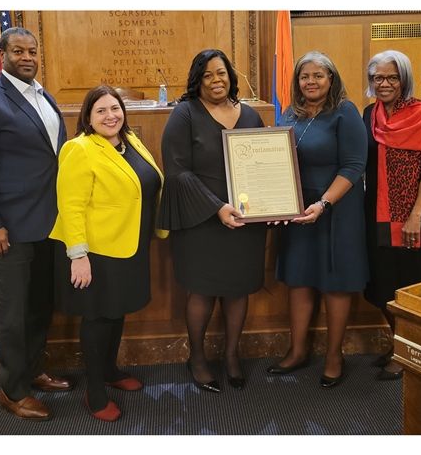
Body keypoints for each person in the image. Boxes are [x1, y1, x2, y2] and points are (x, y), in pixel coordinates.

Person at [0, 27, 71, 421]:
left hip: (46, 225)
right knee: (13, 314)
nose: (27, 57)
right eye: (18, 51)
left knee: (39, 306)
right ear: (1, 55)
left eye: (32, 51)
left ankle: (32, 370)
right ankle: (12, 390)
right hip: (4, 229)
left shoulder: (44, 96)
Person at [50, 85, 165, 422]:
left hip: (129, 245)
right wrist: (78, 255)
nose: (110, 116)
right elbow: (70, 206)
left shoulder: (131, 142)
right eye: (101, 110)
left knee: (116, 312)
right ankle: (95, 391)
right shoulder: (79, 149)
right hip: (96, 251)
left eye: (115, 108)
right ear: (88, 117)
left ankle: (111, 371)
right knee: (98, 317)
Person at [157, 49, 267, 392]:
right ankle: (198, 358)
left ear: (230, 77)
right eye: (207, 75)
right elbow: (177, 170)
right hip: (200, 218)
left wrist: (275, 204)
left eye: (221, 73)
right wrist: (217, 207)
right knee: (202, 291)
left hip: (245, 221)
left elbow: (264, 165)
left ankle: (232, 356)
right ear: (197, 81)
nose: (216, 80)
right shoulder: (185, 114)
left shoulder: (250, 115)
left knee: (238, 289)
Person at [267, 51, 368, 389]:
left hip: (335, 208)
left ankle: (334, 356)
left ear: (331, 79)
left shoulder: (345, 112)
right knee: (299, 277)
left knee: (335, 281)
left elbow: (354, 165)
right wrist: (273, 203)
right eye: (304, 76)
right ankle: (297, 351)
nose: (310, 82)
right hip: (298, 209)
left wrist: (324, 203)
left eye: (318, 75)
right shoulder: (289, 113)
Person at [360, 50, 421, 381]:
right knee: (382, 283)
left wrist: (415, 215)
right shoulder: (369, 114)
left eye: (392, 77)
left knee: (406, 285)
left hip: (411, 214)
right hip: (376, 211)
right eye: (378, 77)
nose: (384, 83)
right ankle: (399, 345)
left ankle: (408, 353)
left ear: (404, 79)